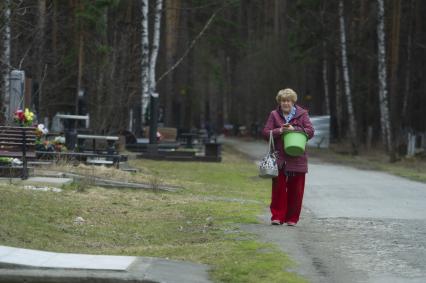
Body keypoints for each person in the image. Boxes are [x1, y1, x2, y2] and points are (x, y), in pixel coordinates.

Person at [262, 88, 314, 226]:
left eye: (288, 101)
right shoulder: (274, 115)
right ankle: (277, 217)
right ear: (279, 102)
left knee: (296, 191)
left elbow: (310, 131)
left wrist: (294, 129)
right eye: (283, 101)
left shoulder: (303, 114)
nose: (285, 103)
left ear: (293, 102)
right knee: (278, 189)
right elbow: (266, 133)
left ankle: (292, 219)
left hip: (298, 158)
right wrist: (280, 130)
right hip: (279, 159)